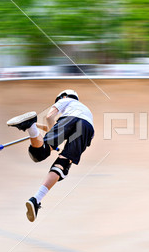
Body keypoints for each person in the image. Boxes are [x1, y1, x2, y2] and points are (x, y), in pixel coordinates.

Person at [6, 89, 94, 222]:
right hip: (87, 127)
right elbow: (54, 127)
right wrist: (38, 126)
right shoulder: (83, 109)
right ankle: (36, 199)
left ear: (63, 96)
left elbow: (50, 117)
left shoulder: (65, 100)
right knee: (63, 164)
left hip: (69, 121)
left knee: (40, 153)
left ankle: (30, 128)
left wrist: (47, 138)